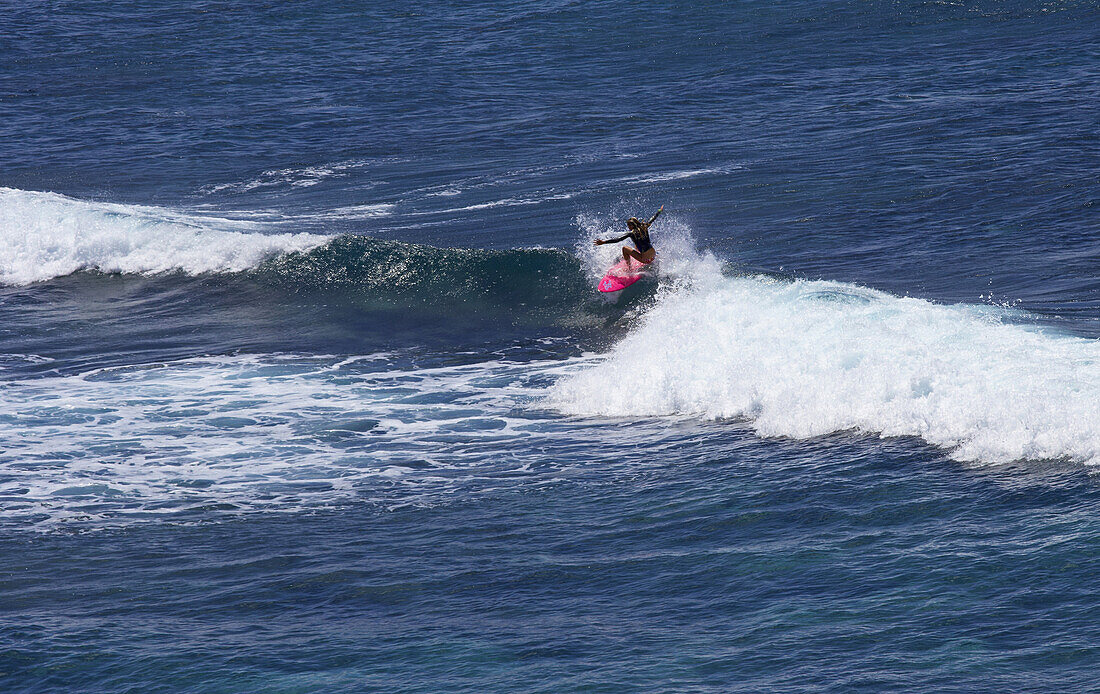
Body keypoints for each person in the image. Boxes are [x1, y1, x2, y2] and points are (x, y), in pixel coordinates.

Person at [593, 206, 663, 265]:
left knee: (624, 248)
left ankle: (629, 268)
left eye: (628, 226)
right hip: (653, 255)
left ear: (631, 226)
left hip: (646, 260)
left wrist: (603, 242)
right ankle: (645, 255)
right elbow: (653, 218)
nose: (628, 227)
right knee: (637, 244)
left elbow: (618, 239)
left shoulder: (631, 233)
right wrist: (659, 210)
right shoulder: (644, 227)